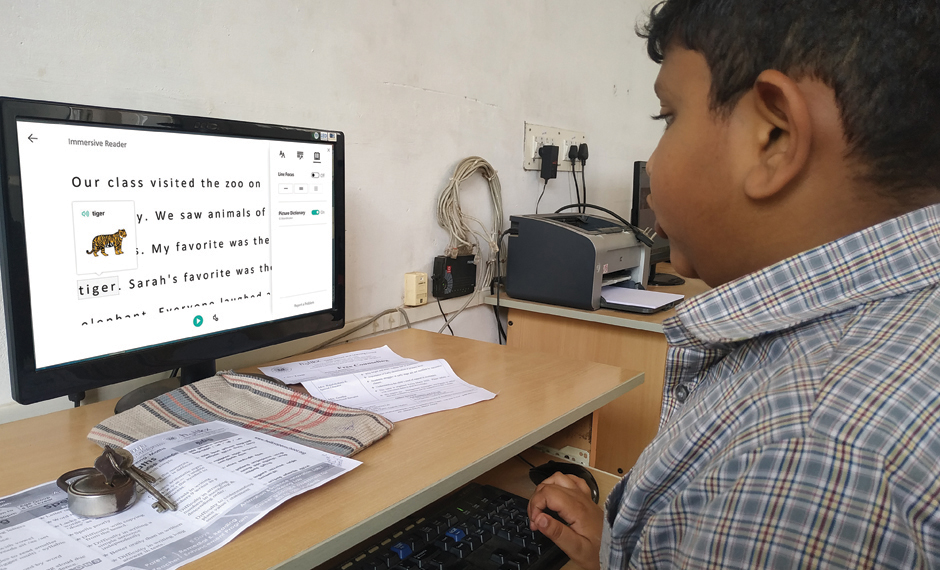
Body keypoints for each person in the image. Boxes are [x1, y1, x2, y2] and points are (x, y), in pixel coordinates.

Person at [528, 0, 940, 568]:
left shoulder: (802, 456)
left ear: (774, 135)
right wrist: (624, 550)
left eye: (667, 118)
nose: (653, 164)